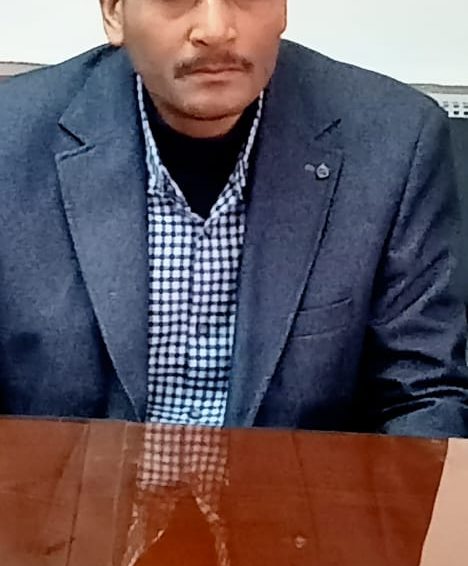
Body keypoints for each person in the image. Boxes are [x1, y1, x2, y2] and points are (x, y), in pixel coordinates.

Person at [0, 0, 467, 437]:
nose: (215, 30)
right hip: (66, 493)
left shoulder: (394, 144)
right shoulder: (11, 139)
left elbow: (422, 396)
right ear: (114, 13)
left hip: (297, 496)